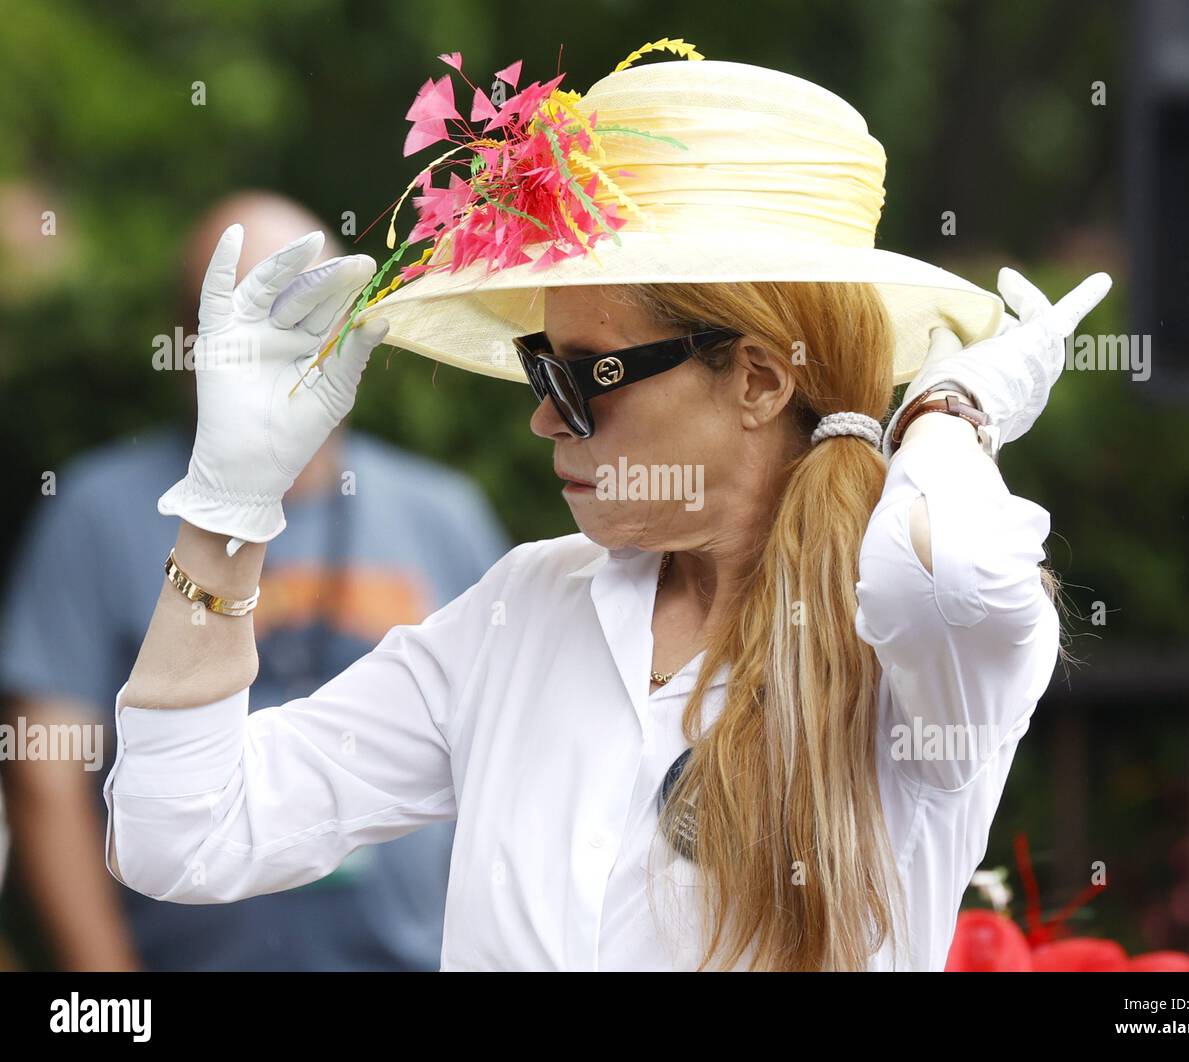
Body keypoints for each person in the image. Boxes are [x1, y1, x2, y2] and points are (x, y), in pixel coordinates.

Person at [100, 53, 1111, 971]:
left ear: (758, 380)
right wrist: (230, 506)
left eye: (590, 374)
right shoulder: (528, 606)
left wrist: (947, 411)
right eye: (539, 365)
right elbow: (181, 833)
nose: (544, 416)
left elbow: (948, 577)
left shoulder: (898, 642)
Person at [0, 192, 509, 970]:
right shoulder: (98, 511)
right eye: (249, 315)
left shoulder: (443, 512)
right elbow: (44, 771)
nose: (283, 341)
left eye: (311, 306)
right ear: (189, 338)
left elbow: (509, 759)